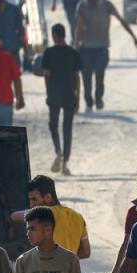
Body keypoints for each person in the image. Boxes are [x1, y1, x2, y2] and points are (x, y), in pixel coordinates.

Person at [75, 0, 137, 111]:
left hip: (102, 47)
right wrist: (77, 46)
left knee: (100, 75)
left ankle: (98, 99)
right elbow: (79, 27)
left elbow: (121, 20)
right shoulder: (82, 5)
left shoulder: (106, 5)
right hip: (86, 48)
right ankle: (88, 101)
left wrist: (133, 36)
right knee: (86, 78)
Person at [14, 175, 91, 259]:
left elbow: (14, 216)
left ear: (48, 197)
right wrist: (67, 260)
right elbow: (86, 252)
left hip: (48, 270)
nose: (31, 204)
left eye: (34, 199)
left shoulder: (44, 213)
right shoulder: (78, 217)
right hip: (70, 270)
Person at [42, 24, 83, 173]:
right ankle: (65, 163)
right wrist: (78, 98)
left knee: (53, 124)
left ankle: (58, 151)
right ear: (64, 35)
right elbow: (77, 78)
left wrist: (48, 92)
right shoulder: (73, 53)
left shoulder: (49, 52)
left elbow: (47, 75)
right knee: (67, 128)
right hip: (69, 95)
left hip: (54, 94)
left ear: (54, 35)